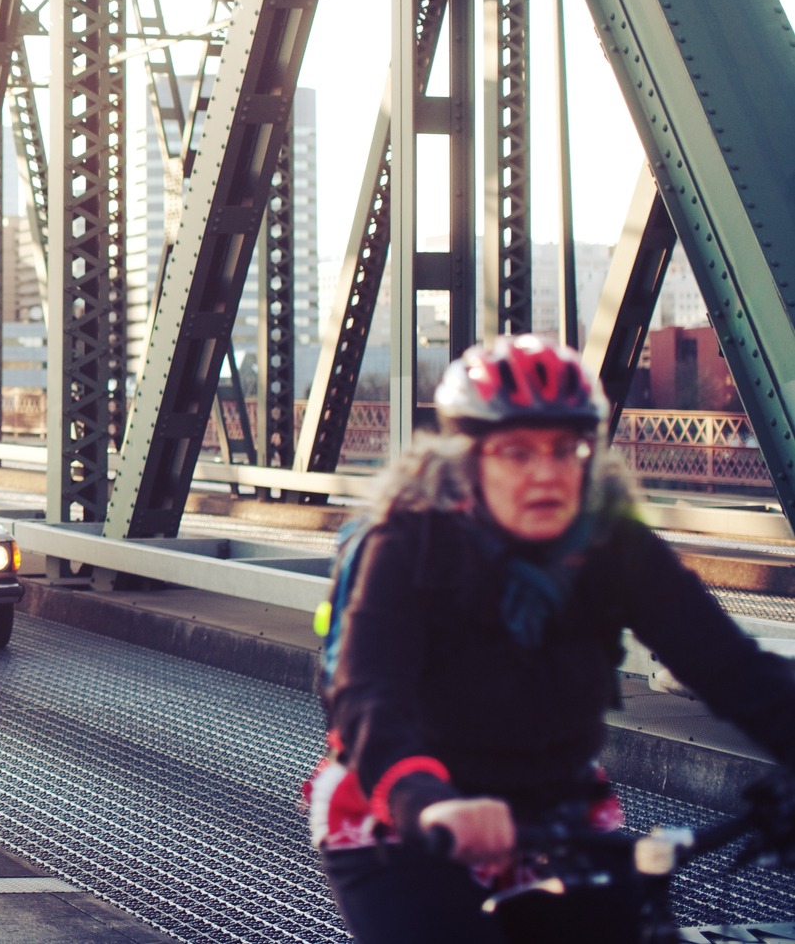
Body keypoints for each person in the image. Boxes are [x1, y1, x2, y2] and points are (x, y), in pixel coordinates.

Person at [310, 334, 795, 942]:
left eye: (567, 450)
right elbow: (367, 696)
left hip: (554, 807)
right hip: (410, 807)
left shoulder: (611, 544)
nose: (547, 473)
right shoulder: (410, 544)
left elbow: (731, 669)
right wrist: (426, 800)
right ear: (469, 460)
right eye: (516, 452)